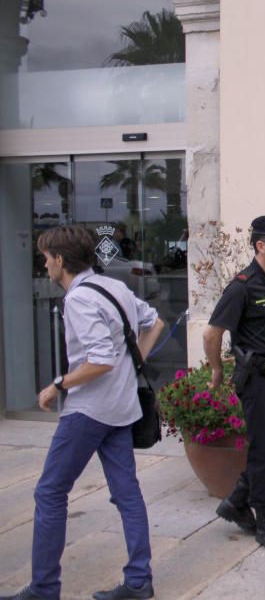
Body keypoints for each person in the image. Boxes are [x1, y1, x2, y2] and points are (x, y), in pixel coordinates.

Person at [0, 226, 164, 600]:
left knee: (50, 492)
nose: (44, 264)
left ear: (60, 260)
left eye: (46, 258)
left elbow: (101, 359)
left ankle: (44, 588)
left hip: (89, 411)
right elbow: (155, 323)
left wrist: (59, 385)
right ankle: (139, 580)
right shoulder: (114, 287)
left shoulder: (78, 300)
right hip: (122, 409)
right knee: (127, 493)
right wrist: (135, 361)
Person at [203, 215, 265, 553]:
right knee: (264, 449)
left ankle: (237, 498)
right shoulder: (242, 286)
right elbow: (211, 333)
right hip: (258, 378)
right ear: (261, 246)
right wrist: (216, 369)